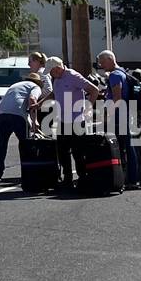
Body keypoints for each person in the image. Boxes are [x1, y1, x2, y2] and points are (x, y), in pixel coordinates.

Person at [48, 56, 99, 188]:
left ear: (58, 68)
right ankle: (68, 179)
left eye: (51, 71)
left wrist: (88, 109)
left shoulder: (73, 76)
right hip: (62, 120)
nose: (50, 74)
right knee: (62, 151)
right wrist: (39, 103)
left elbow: (94, 90)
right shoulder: (57, 79)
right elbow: (54, 93)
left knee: (78, 151)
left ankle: (83, 178)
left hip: (76, 120)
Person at [99, 50, 141, 189]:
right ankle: (133, 177)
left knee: (123, 148)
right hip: (125, 115)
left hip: (119, 117)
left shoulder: (114, 75)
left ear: (111, 59)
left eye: (102, 61)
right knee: (128, 147)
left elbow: (117, 98)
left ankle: (129, 179)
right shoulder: (122, 72)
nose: (101, 65)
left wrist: (107, 115)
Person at [0, 73, 42, 182]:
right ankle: (27, 171)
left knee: (2, 144)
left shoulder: (16, 85)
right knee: (25, 144)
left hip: (1, 113)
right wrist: (35, 121)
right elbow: (33, 100)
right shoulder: (35, 87)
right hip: (17, 114)